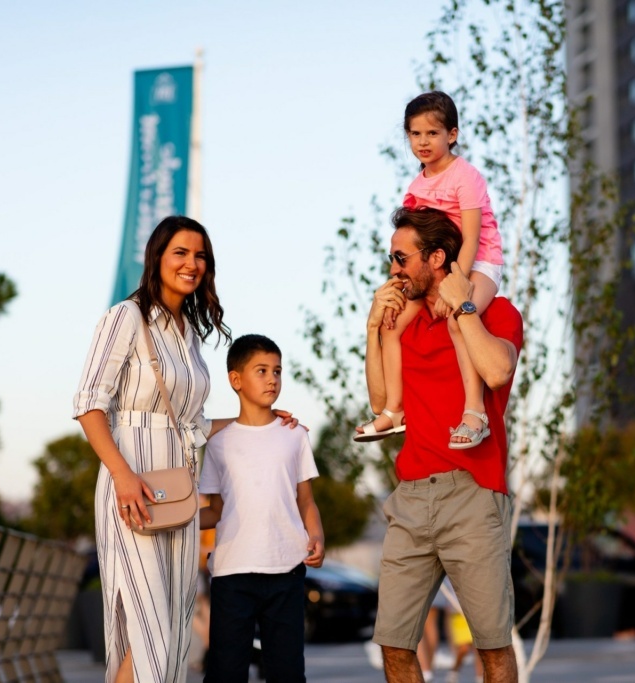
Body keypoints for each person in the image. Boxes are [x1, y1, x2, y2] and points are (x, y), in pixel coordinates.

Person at [362, 206, 523, 683]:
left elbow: (497, 370)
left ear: (436, 258)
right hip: (411, 496)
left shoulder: (497, 310)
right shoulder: (405, 324)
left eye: (400, 257)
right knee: (394, 644)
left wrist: (465, 307)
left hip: (472, 493)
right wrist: (374, 327)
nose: (393, 268)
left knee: (491, 646)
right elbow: (380, 403)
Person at [73, 216, 232, 683]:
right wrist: (123, 476)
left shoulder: (190, 334)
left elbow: (195, 424)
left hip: (178, 493)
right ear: (157, 258)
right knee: (150, 634)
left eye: (200, 255)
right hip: (133, 485)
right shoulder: (127, 317)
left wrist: (257, 422)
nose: (192, 263)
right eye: (180, 253)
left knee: (175, 638)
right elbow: (88, 404)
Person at [355, 91, 504, 450]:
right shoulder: (416, 187)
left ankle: (474, 413)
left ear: (451, 134)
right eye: (415, 134)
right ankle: (394, 411)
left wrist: (458, 284)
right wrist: (398, 286)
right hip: (438, 267)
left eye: (432, 133)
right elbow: (412, 244)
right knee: (392, 325)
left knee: (457, 319)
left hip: (479, 262)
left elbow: (470, 239)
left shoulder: (464, 176)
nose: (422, 142)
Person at [199, 333, 325, 683]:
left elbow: (306, 500)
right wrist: (177, 520)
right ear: (235, 380)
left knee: (286, 673)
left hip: (286, 570)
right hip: (232, 573)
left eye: (278, 371)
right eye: (262, 370)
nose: (272, 378)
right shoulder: (219, 444)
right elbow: (215, 510)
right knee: (226, 672)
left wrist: (316, 535)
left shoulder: (295, 435)